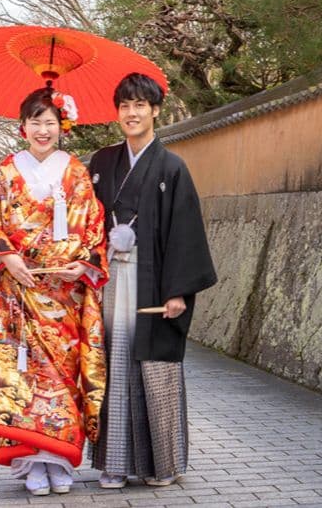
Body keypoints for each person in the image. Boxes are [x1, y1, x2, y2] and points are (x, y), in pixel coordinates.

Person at [0, 87, 108, 497]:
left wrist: (84, 264)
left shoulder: (76, 171)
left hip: (63, 293)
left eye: (51, 123)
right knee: (20, 374)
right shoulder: (6, 172)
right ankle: (29, 463)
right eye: (35, 122)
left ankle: (59, 460)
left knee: (62, 374)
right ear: (22, 127)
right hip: (17, 290)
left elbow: (93, 227)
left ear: (63, 128)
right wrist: (7, 258)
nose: (43, 130)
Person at [89, 72, 217, 488]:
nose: (131, 113)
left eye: (140, 105)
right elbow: (84, 220)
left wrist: (177, 290)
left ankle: (162, 465)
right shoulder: (103, 162)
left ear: (155, 110)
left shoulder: (172, 167)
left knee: (156, 370)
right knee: (112, 365)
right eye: (124, 106)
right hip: (110, 275)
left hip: (154, 279)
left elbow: (185, 230)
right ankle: (114, 463)